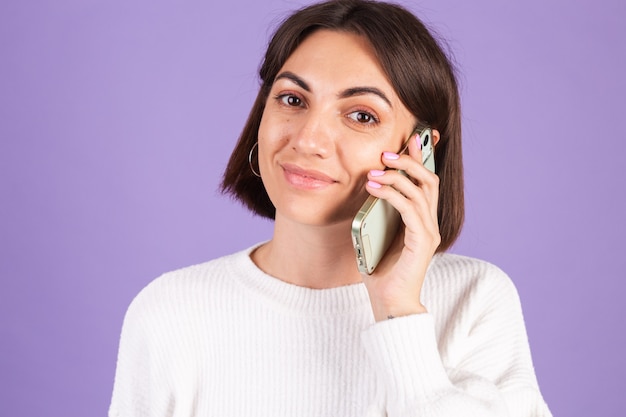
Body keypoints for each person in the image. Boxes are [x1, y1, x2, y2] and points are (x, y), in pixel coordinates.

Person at [109, 1, 552, 416]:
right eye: (292, 100)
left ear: (419, 151)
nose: (308, 140)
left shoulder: (473, 300)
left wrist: (398, 309)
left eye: (361, 115)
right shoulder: (170, 311)